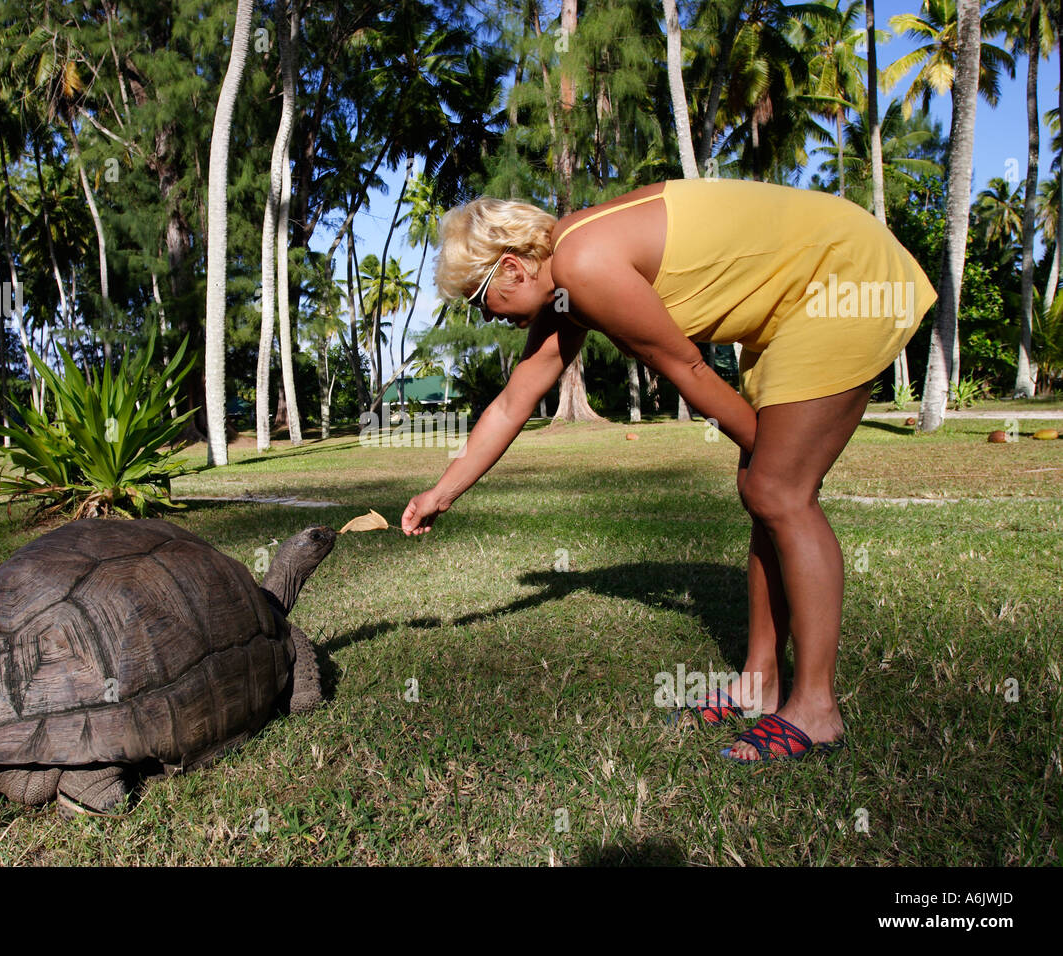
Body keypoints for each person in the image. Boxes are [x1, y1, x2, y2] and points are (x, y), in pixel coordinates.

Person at [400, 177, 936, 762]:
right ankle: (760, 682)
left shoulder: (583, 263)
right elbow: (513, 402)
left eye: (480, 300)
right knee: (765, 488)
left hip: (846, 276)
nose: (485, 317)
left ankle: (817, 708)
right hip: (797, 296)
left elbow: (686, 367)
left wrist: (773, 466)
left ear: (511, 268)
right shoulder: (568, 280)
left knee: (778, 490)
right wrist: (441, 493)